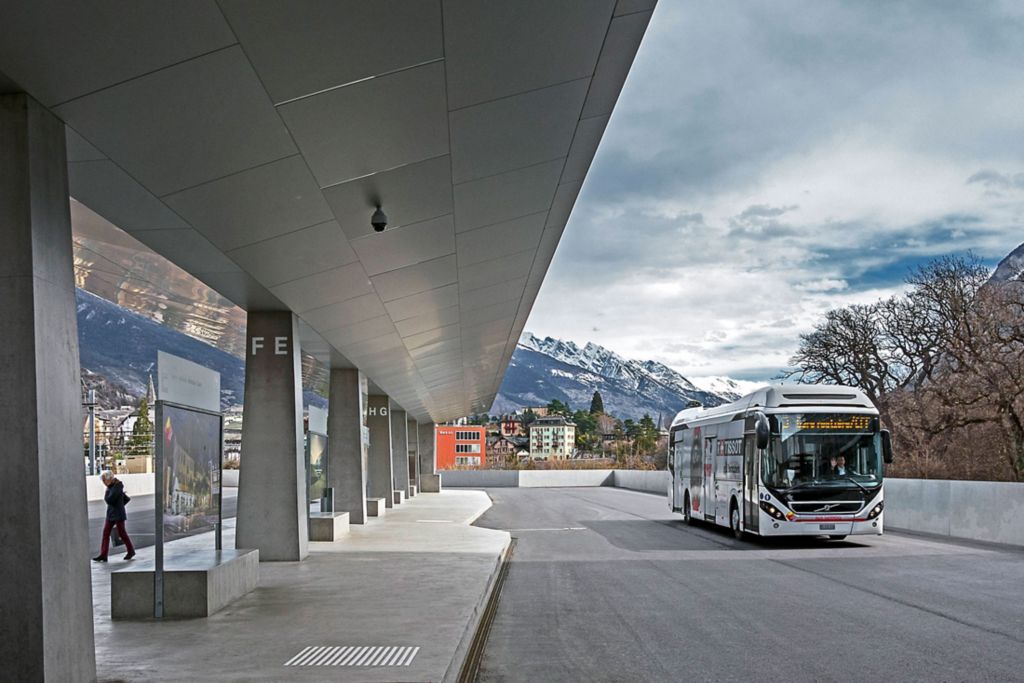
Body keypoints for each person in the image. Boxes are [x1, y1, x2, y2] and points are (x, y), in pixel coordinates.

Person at [93, 470, 136, 562]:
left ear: (110, 479)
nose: (104, 483)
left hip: (118, 514)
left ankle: (131, 550)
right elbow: (124, 499)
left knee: (122, 533)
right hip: (111, 514)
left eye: (105, 480)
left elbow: (109, 500)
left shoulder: (117, 486)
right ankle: (103, 554)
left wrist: (108, 491)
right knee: (106, 533)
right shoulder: (113, 487)